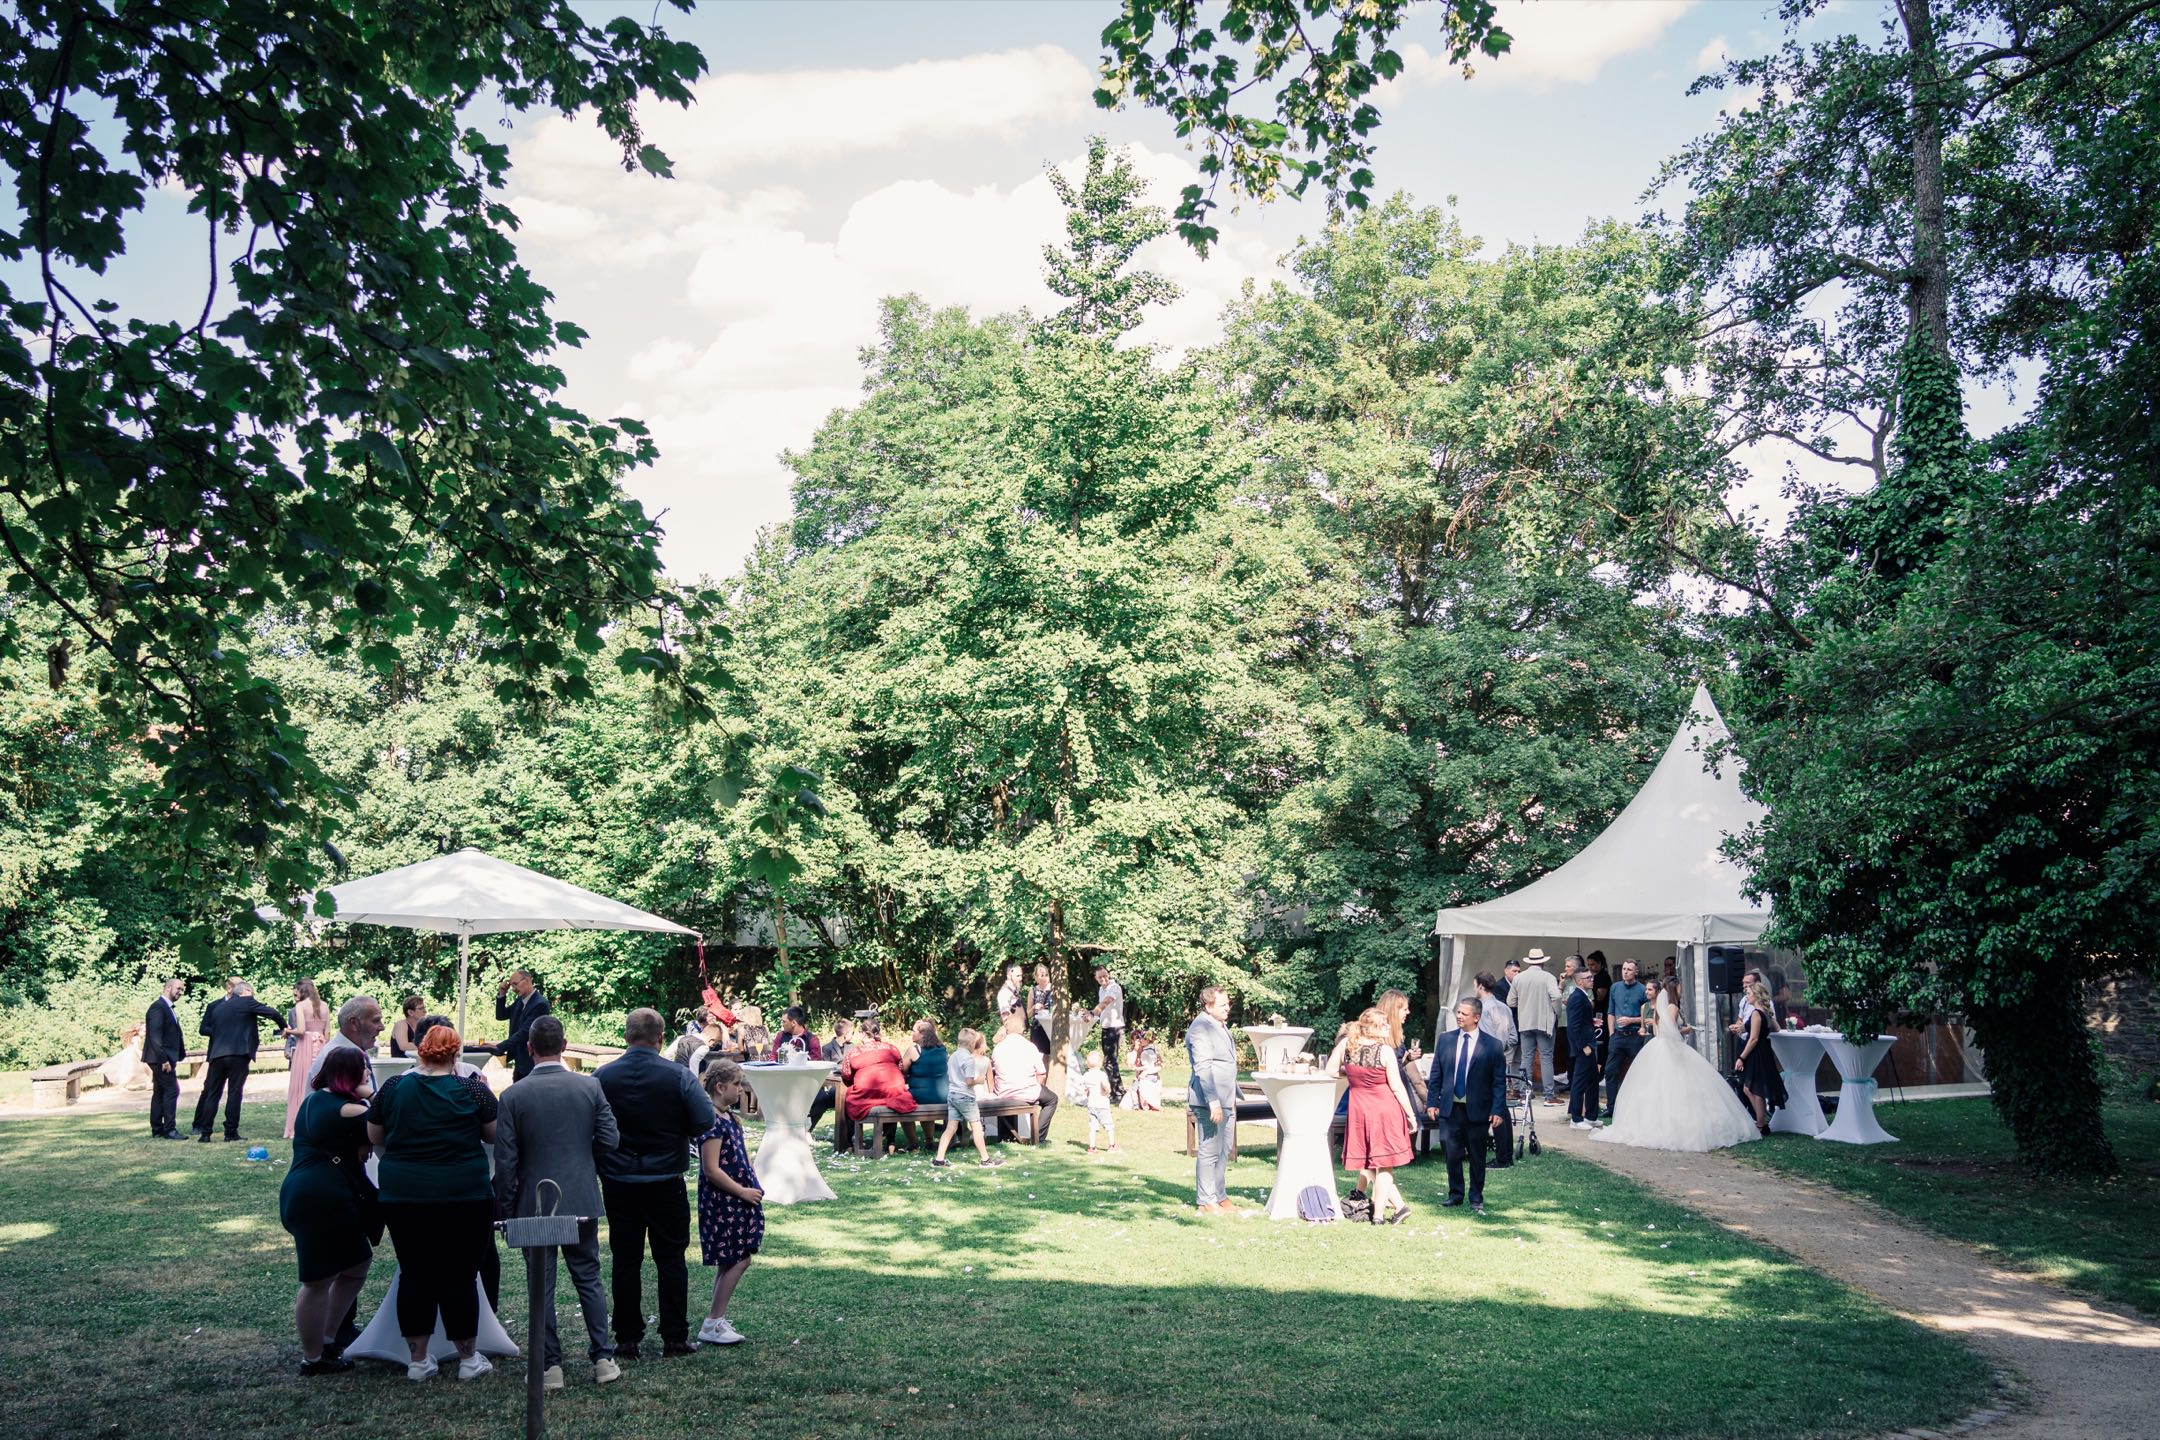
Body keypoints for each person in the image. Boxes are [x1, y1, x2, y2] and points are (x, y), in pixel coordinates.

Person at [365, 1023, 499, 1382]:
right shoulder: (473, 1090)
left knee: (415, 1272)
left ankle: (418, 1360)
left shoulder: (393, 1087)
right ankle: (469, 1358)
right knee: (461, 1274)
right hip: (464, 1192)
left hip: (404, 1193)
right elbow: (494, 1135)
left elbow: (375, 1136)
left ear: (420, 1051)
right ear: (457, 1055)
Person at [495, 1016, 622, 1389]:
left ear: (529, 1048)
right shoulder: (590, 1087)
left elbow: (506, 1161)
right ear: (564, 1046)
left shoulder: (513, 1096)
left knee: (541, 1285)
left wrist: (506, 1204)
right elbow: (610, 1138)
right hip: (580, 1193)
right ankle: (603, 1358)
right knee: (588, 1279)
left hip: (533, 1201)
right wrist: (584, 1159)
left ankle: (550, 1366)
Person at [595, 1007, 715, 1360]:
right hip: (665, 1179)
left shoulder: (603, 1077)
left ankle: (627, 1337)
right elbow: (703, 1120)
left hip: (619, 1180)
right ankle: (675, 1337)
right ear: (661, 1038)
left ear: (626, 1036)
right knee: (671, 1258)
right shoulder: (677, 1076)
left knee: (625, 1259)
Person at [279, 1046, 377, 1374]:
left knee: (356, 1262)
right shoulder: (348, 1109)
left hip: (306, 1190)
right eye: (362, 1069)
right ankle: (313, 1357)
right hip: (320, 1198)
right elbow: (385, 1116)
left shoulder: (314, 1100)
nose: (367, 1073)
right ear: (349, 1075)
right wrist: (369, 1094)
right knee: (317, 1280)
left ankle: (328, 1337)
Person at [1594, 979, 1765, 1151]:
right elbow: (1671, 1032)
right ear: (1674, 989)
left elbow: (1657, 1029)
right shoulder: (1672, 1007)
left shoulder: (1656, 1008)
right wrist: (1686, 1030)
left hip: (1656, 1045)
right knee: (1678, 1084)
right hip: (1670, 1047)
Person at [692, 1060, 763, 1347]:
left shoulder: (728, 1118)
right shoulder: (711, 1121)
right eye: (736, 1084)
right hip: (724, 1201)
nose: (741, 1088)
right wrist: (742, 1192)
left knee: (731, 1259)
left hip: (734, 1198)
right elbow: (711, 1168)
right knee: (739, 1258)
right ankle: (712, 1321)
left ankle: (716, 1320)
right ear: (720, 1088)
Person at [1331, 1007, 1418, 1223]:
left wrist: (1350, 1072)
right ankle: (1379, 1216)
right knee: (1384, 1164)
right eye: (1383, 1024)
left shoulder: (1346, 1046)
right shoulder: (1385, 1051)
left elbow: (1331, 1071)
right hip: (1384, 1109)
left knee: (1368, 1161)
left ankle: (1386, 1212)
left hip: (1359, 1110)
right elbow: (1396, 1087)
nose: (1388, 1027)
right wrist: (1411, 1115)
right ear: (1371, 1028)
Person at [1424, 996, 1506, 1214]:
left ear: (1476, 1018)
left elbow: (1499, 1082)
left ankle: (1476, 1196)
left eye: (1464, 1014)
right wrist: (1432, 1102)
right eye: (1458, 1012)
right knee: (1451, 1153)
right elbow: (1436, 1073)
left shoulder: (1493, 1045)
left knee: (1477, 1156)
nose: (1459, 1016)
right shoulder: (1446, 1039)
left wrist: (1497, 1109)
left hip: (1477, 1110)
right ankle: (1455, 1194)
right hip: (1450, 1109)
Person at [192, 981, 288, 1142]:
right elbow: (272, 1013)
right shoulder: (247, 1001)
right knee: (234, 1093)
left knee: (213, 1094)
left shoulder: (219, 1008)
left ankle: (205, 1133)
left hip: (217, 1055)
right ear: (246, 991)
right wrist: (284, 1027)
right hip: (238, 1054)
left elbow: (212, 1030)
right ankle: (230, 1133)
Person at [1186, 986, 1238, 1215]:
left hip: (1227, 1098)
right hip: (1210, 1100)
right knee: (1209, 1149)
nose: (1227, 1007)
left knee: (1224, 1148)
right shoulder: (1200, 1028)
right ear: (1208, 1006)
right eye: (1222, 1004)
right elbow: (1203, 1068)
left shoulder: (1219, 1025)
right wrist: (1213, 1101)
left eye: (1228, 1003)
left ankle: (1219, 1195)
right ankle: (1206, 1200)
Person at [841, 1018, 917, 1149]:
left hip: (866, 1096)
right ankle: (890, 1142)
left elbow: (846, 1075)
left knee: (848, 1097)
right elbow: (899, 1068)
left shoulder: (855, 1052)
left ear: (864, 1033)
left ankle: (849, 1142)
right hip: (893, 1092)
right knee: (891, 1093)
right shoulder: (891, 1048)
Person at [988, 1010, 1058, 1144]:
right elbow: (1041, 1073)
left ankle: (1008, 1133)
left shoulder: (998, 1048)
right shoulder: (1030, 1047)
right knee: (1052, 1099)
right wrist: (1039, 1086)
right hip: (1026, 1090)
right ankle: (1038, 1135)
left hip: (1003, 1091)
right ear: (1022, 1029)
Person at [933, 1028, 999, 1168]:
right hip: (965, 1097)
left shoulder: (953, 1056)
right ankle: (985, 1159)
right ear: (971, 1044)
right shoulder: (968, 1059)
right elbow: (969, 1081)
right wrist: (980, 1080)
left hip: (952, 1095)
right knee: (977, 1127)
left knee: (950, 1128)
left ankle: (939, 1159)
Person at [1734, 976, 1788, 1137]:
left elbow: (1754, 1038)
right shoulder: (1765, 1013)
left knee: (1752, 1088)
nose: (1747, 995)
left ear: (1756, 995)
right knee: (1752, 1087)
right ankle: (1761, 1121)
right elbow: (1776, 1028)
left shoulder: (1757, 1013)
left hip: (1757, 1051)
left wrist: (1742, 1057)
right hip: (1763, 1050)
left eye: (1749, 993)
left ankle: (1761, 1123)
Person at [1511, 950, 1561, 1105]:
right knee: (1546, 1058)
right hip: (1544, 1023)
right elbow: (1557, 996)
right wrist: (1556, 1013)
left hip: (1525, 1022)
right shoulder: (1548, 977)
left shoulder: (1518, 978)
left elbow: (1510, 1002)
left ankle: (1524, 1091)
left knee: (1526, 1057)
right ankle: (1549, 1095)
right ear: (1542, 962)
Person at [283, 979, 332, 1140]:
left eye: (296, 990)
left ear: (302, 990)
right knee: (322, 1083)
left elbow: (302, 1030)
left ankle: (297, 1126)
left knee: (301, 1083)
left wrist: (289, 1032)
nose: (295, 993)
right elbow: (328, 1033)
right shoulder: (324, 1005)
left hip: (305, 1047)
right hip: (322, 1046)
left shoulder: (300, 1006)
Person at [143, 977, 188, 1139]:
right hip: (159, 1058)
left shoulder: (166, 1007)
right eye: (178, 989)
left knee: (160, 1091)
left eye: (182, 990)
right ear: (168, 987)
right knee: (172, 1090)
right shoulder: (158, 1008)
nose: (180, 993)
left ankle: (157, 1129)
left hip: (163, 1057)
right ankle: (169, 1129)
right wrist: (163, 1060)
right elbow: (155, 1037)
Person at [1604, 959, 1649, 1114]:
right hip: (1617, 1035)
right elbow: (1610, 1012)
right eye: (1624, 968)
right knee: (1610, 1071)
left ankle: (1638, 1105)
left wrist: (1632, 1020)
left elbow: (1648, 1015)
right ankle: (1611, 1107)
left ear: (1636, 972)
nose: (1626, 972)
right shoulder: (1615, 987)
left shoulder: (1643, 990)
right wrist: (1611, 1033)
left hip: (1635, 1035)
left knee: (1638, 1071)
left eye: (1629, 969)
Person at [309, 995, 384, 1086]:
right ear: (354, 1023)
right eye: (376, 1021)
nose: (382, 1027)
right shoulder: (336, 1060)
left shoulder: (347, 1054)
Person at [491, 968, 551, 1081]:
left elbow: (525, 1033)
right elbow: (501, 1015)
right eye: (511, 985)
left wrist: (499, 1047)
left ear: (527, 980)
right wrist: (502, 994)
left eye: (515, 984)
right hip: (520, 1061)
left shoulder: (540, 1004)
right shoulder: (520, 1001)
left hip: (532, 1061)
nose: (513, 989)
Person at [1565, 967, 1602, 1130]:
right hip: (1584, 1046)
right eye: (1587, 978)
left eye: (1591, 977)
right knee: (1579, 1082)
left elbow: (1581, 1021)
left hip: (1589, 1042)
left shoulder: (1582, 996)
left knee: (1593, 1080)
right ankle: (1576, 1118)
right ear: (1579, 980)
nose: (1591, 979)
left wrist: (1591, 1021)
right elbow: (1573, 1026)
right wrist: (1583, 1046)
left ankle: (1591, 1116)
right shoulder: (1577, 997)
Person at [1092, 965, 1126, 1103]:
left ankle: (1118, 1093)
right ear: (1096, 978)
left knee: (1110, 1061)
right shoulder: (1101, 989)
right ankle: (1116, 1091)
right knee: (1108, 1061)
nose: (1103, 979)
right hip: (1106, 1027)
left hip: (1115, 1027)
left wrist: (1093, 1012)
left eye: (1105, 975)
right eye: (1100, 977)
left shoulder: (1114, 987)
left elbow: (1106, 1002)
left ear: (1108, 974)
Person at [1081, 1050, 1118, 1155]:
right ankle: (1112, 1145)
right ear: (1100, 1063)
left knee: (1092, 1127)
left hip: (1091, 1104)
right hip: (1102, 1104)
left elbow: (1085, 1089)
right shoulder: (1101, 1075)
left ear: (1087, 1064)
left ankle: (1092, 1147)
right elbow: (1105, 1086)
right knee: (1109, 1125)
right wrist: (1108, 1091)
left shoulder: (1086, 1076)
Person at [1121, 1030, 1164, 1111]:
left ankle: (1145, 1105)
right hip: (1139, 1077)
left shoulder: (1150, 1051)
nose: (1139, 1041)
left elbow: (1159, 1065)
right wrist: (1136, 1051)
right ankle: (1138, 1104)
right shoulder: (1133, 1053)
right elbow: (1131, 1064)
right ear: (1132, 1041)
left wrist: (1145, 1071)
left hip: (1148, 1077)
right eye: (1137, 1039)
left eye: (1140, 1038)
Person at [1028, 963, 1055, 1056]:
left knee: (1051, 1055)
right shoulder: (1033, 990)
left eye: (1046, 975)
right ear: (1036, 977)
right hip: (1038, 1027)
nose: (1045, 977)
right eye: (1042, 975)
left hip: (1052, 1025)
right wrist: (1034, 1007)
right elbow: (1028, 1014)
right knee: (1038, 1055)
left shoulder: (1055, 989)